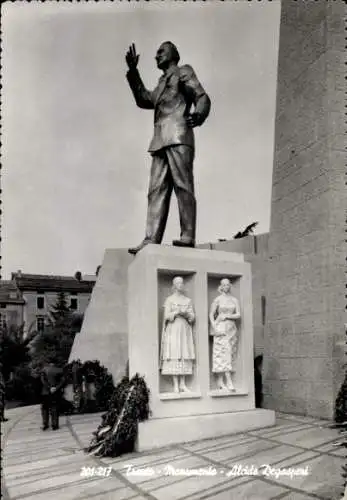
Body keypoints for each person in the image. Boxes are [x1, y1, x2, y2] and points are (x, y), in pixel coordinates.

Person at [125, 42, 211, 255]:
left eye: (160, 52)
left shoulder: (183, 72)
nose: (156, 56)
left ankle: (187, 235)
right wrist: (134, 72)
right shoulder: (161, 83)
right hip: (160, 140)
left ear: (173, 54)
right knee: (155, 191)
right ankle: (150, 239)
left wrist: (199, 114)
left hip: (179, 135)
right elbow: (144, 99)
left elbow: (201, 96)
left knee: (183, 186)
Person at [160, 277, 195, 393]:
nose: (180, 285)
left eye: (182, 283)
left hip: (184, 328)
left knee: (184, 352)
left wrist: (186, 314)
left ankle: (183, 384)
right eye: (178, 283)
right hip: (173, 328)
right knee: (175, 352)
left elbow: (192, 317)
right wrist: (176, 312)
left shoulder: (187, 300)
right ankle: (175, 384)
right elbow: (166, 316)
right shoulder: (169, 299)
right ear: (174, 285)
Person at [209, 279, 241, 391]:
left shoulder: (234, 300)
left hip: (231, 328)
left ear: (230, 286)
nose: (226, 286)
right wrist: (214, 327)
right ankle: (228, 381)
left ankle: (220, 380)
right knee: (222, 352)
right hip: (221, 327)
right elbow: (211, 314)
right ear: (221, 286)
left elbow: (238, 315)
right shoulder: (217, 299)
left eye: (228, 285)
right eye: (224, 285)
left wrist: (227, 316)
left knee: (230, 352)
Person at [40, 359, 65, 430]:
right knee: (54, 407)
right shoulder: (60, 370)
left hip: (45, 392)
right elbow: (63, 380)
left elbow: (43, 381)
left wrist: (49, 387)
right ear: (55, 363)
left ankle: (45, 424)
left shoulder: (44, 369)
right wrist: (56, 388)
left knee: (44, 408)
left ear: (48, 363)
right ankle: (55, 425)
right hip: (55, 392)